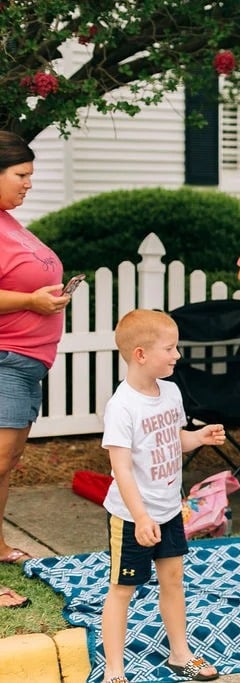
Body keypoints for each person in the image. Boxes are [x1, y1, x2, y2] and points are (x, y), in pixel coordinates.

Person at [100, 309, 224, 683]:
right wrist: (140, 517)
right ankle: (114, 668)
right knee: (122, 589)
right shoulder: (122, 407)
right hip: (132, 516)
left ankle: (180, 653)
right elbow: (121, 468)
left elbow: (173, 439)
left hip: (169, 510)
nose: (177, 356)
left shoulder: (169, 392)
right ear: (140, 354)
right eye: (170, 349)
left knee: (173, 580)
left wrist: (197, 438)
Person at [0, 131, 70, 607]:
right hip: (5, 360)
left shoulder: (9, 223)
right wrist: (30, 299)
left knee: (6, 466)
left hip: (26, 363)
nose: (29, 184)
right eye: (21, 175)